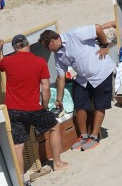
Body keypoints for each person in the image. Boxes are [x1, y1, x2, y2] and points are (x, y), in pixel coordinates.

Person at [0, 34, 67, 178]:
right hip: (33, 108)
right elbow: (45, 87)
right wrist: (45, 106)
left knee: (18, 145)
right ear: (28, 44)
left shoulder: (7, 61)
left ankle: (20, 178)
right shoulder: (39, 62)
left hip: (13, 110)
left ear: (15, 48)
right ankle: (57, 164)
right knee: (55, 127)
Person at [47, 22, 116, 151]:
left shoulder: (74, 34)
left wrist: (104, 45)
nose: (48, 50)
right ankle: (84, 136)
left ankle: (94, 136)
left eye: (48, 47)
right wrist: (59, 99)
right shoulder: (57, 54)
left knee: (100, 105)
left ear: (53, 41)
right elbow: (61, 77)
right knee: (79, 104)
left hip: (102, 72)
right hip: (83, 78)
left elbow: (97, 28)